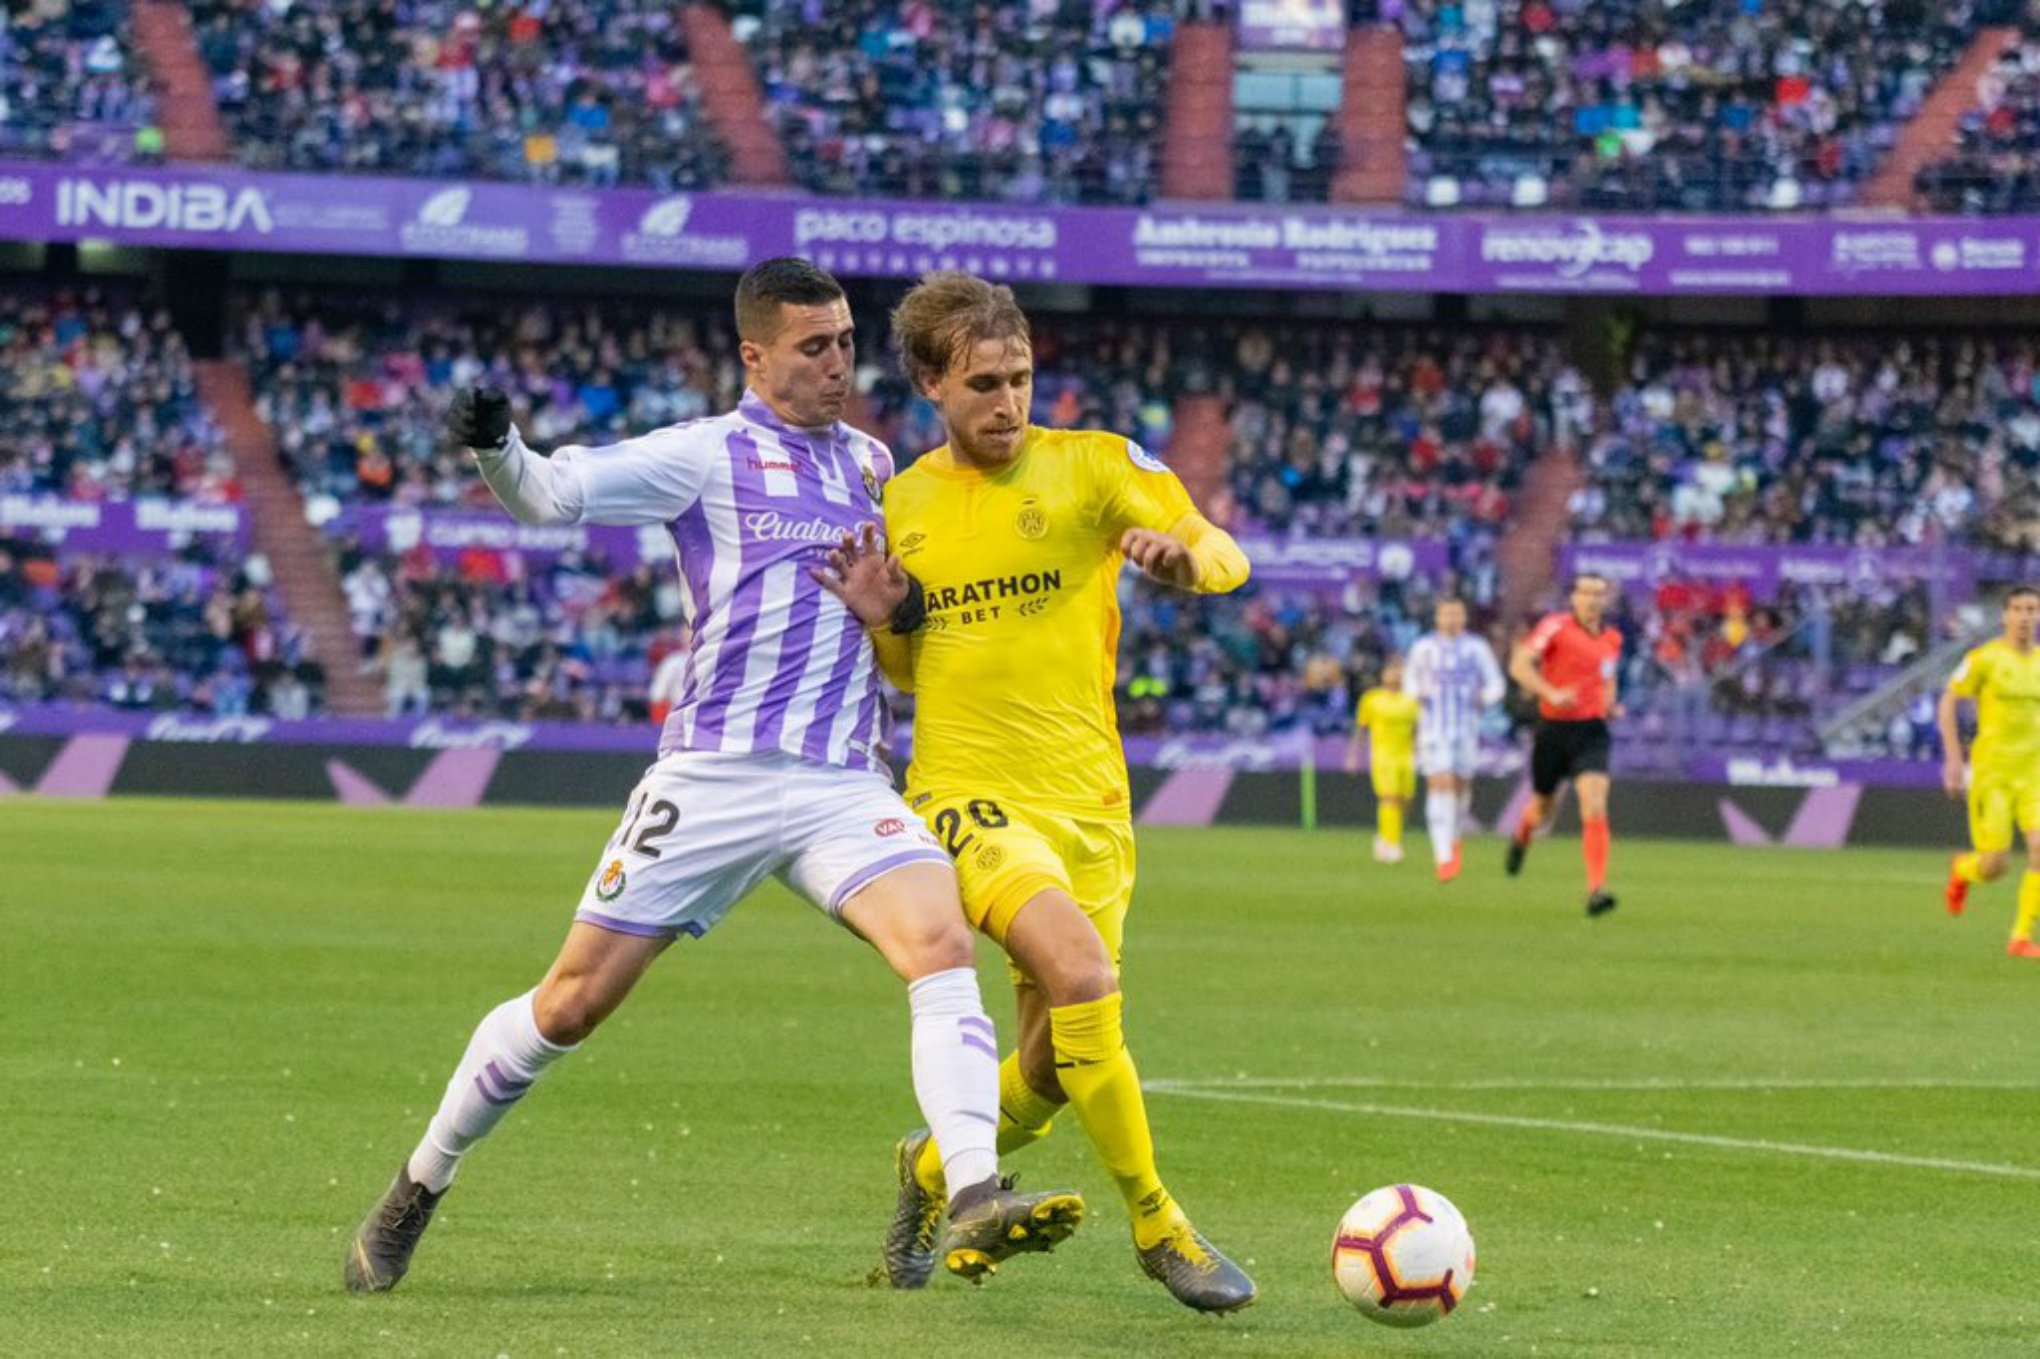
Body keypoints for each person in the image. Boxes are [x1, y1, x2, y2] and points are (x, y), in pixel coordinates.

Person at [342, 259, 1082, 1296]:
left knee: (939, 939)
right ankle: (418, 1186)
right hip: (713, 779)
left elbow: (912, 622)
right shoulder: (702, 457)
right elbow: (549, 495)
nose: (837, 364)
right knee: (568, 1006)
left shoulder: (874, 466)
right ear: (755, 355)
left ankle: (970, 1193)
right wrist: (495, 446)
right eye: (813, 347)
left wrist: (898, 611)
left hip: (840, 783)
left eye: (845, 344)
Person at [817, 271, 1259, 1313]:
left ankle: (930, 1172)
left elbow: (1223, 549)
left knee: (1057, 1066)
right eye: (982, 383)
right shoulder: (902, 501)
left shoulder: (1096, 467)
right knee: (1081, 974)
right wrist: (886, 619)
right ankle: (1163, 1228)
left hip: (1092, 804)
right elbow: (906, 674)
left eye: (1018, 378)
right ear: (931, 382)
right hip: (968, 796)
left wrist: (1185, 561)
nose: (1006, 402)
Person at [1505, 572, 1623, 916]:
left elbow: (1608, 678)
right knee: (1542, 810)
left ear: (1606, 601)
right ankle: (1521, 835)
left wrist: (1610, 704)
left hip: (1591, 732)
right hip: (1553, 731)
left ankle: (1596, 890)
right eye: (1585, 593)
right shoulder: (1555, 626)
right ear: (1573, 597)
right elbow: (1518, 665)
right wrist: (1552, 692)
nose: (1592, 600)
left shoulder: (1612, 639)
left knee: (1595, 804)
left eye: (1599, 594)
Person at [1940, 586, 2040, 956]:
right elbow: (1948, 703)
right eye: (2019, 609)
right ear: (2005, 615)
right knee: (1995, 865)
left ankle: (2020, 937)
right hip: (1992, 776)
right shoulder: (1984, 659)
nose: (2026, 616)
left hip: (2033, 776)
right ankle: (1963, 870)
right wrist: (1953, 759)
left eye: (2032, 609)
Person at [1404, 599, 1507, 882]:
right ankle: (1443, 856)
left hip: (1466, 729)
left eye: (1456, 614)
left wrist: (1483, 698)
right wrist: (1416, 694)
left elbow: (1497, 684)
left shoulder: (1476, 648)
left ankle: (1454, 836)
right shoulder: (1423, 648)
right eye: (1446, 614)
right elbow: (1409, 680)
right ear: (1437, 618)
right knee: (1441, 782)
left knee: (1460, 787)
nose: (1451, 619)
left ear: (1464, 618)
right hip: (1433, 730)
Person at [1347, 656, 1419, 865]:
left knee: (1405, 802)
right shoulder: (1371, 699)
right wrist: (1353, 756)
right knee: (1389, 798)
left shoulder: (1412, 700)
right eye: (1391, 670)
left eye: (1399, 670)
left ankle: (1384, 834)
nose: (1394, 675)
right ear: (1383, 674)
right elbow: (1360, 729)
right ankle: (1392, 844)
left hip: (1406, 756)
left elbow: (1419, 728)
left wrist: (1420, 746)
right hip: (1383, 756)